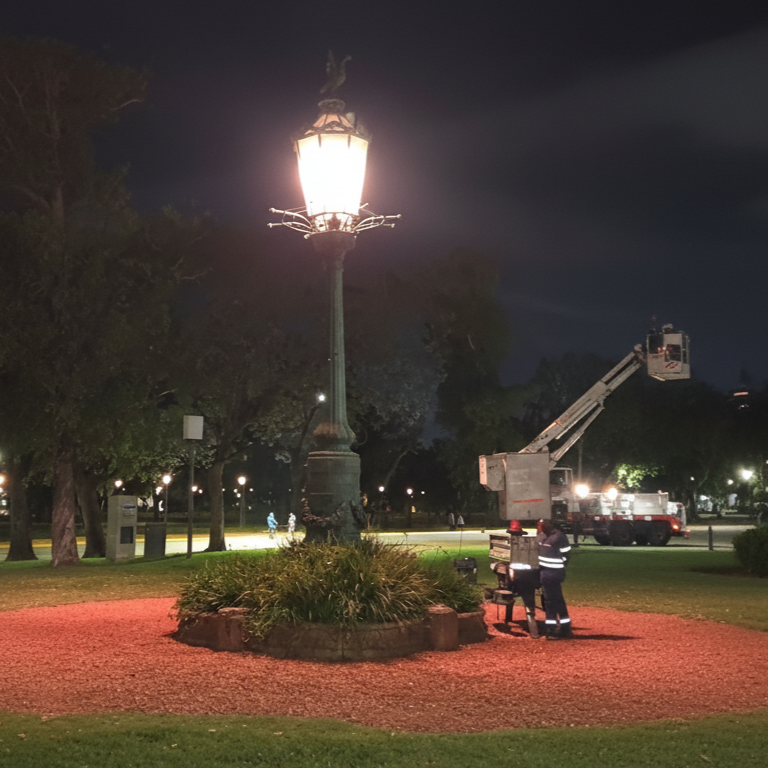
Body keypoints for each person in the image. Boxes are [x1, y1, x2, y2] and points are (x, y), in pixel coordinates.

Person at [537, 519, 572, 640]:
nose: (540, 526)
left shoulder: (559, 537)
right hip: (544, 572)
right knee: (558, 599)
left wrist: (560, 568)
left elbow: (567, 555)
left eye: (542, 524)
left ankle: (551, 630)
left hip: (554, 573)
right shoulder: (541, 536)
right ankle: (565, 626)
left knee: (550, 601)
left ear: (550, 524)